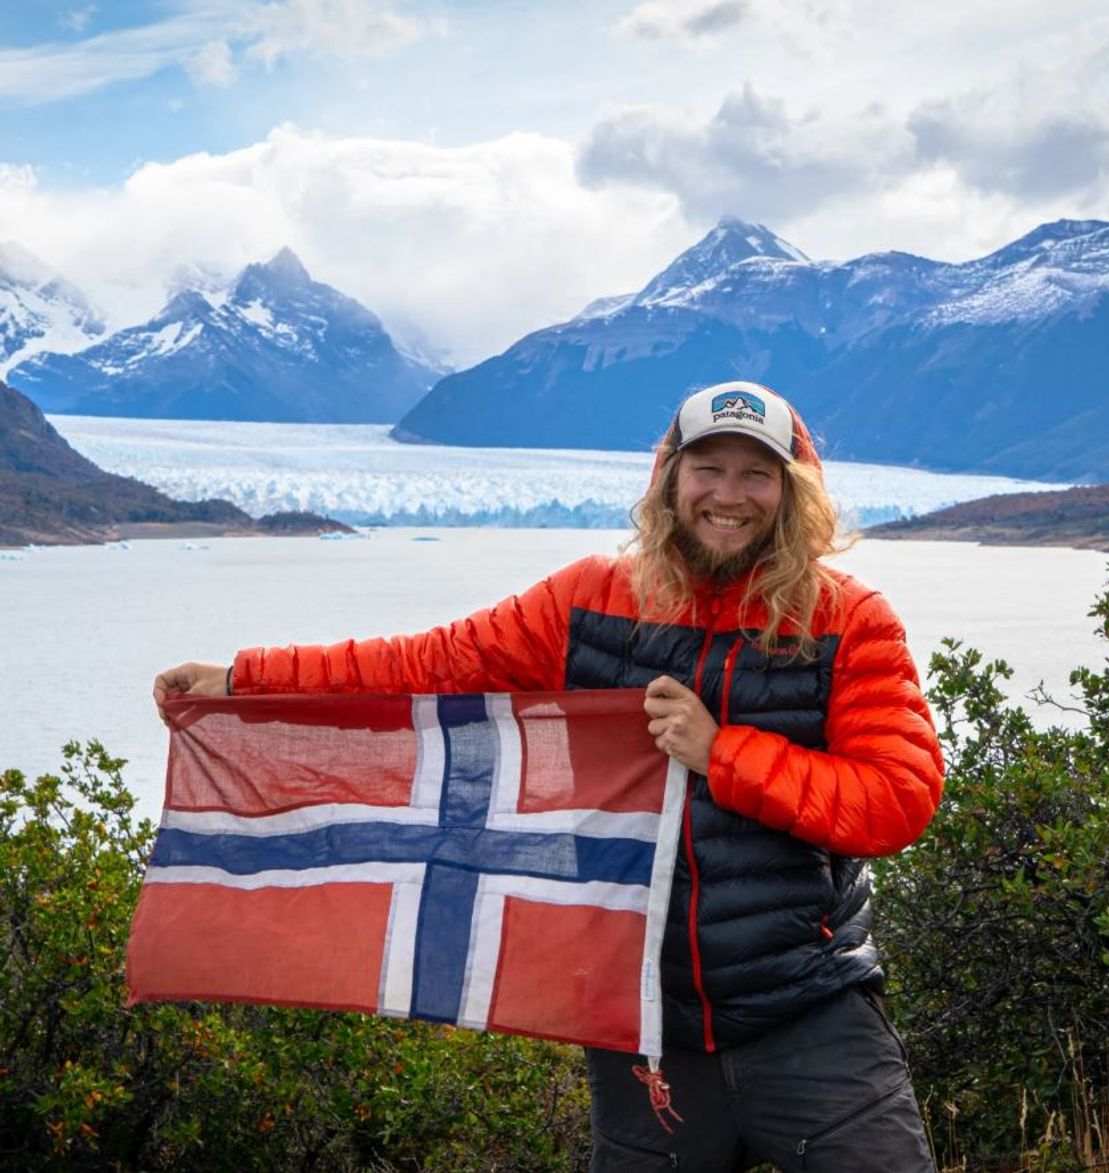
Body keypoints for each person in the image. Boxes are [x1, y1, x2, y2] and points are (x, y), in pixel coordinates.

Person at [154, 381, 944, 1171]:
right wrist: (243, 681)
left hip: (808, 1011)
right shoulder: (591, 601)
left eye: (756, 474)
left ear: (792, 489)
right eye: (708, 468)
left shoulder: (847, 620)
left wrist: (723, 755)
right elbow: (426, 667)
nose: (728, 495)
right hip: (643, 1021)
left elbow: (898, 800)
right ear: (670, 478)